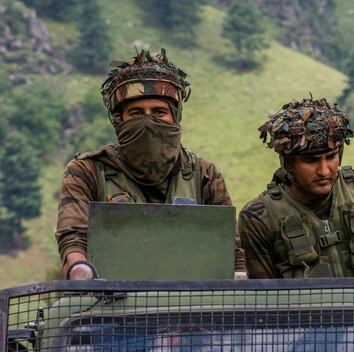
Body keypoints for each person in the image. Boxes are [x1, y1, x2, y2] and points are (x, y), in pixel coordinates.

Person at [55, 48, 246, 280]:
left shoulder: (203, 174)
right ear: (119, 120)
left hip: (192, 305)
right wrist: (79, 270)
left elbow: (231, 250)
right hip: (110, 303)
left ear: (174, 117)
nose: (148, 120)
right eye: (136, 113)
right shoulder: (87, 171)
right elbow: (73, 239)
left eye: (159, 112)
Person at [238, 97, 354, 278]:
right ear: (289, 163)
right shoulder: (259, 216)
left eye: (331, 157)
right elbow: (262, 298)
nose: (324, 171)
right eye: (311, 160)